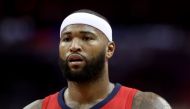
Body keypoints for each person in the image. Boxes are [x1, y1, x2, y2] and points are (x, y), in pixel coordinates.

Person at [24, 9, 172, 109]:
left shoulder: (146, 105)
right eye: (67, 39)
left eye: (87, 38)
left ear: (109, 49)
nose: (74, 46)